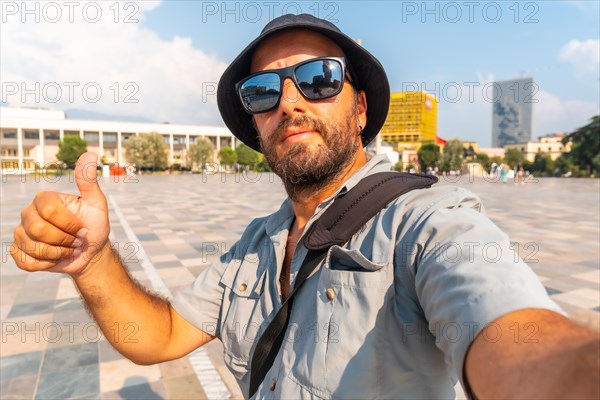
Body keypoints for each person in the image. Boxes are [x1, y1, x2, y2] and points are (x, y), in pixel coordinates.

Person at [11, 14, 599, 399]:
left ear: (361, 109)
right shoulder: (253, 247)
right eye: (263, 91)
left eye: (319, 79)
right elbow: (157, 336)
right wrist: (91, 261)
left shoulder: (424, 222)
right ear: (255, 122)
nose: (289, 101)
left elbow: (511, 332)